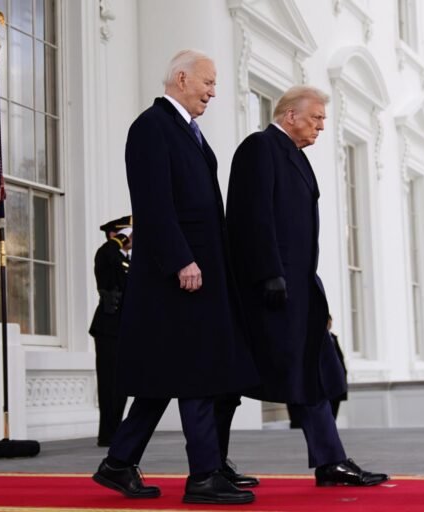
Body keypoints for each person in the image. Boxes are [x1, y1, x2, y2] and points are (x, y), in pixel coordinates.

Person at [91, 49, 259, 505]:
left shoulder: (186, 131)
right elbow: (153, 204)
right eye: (208, 82)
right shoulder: (151, 127)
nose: (213, 91)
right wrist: (181, 259)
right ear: (181, 78)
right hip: (178, 276)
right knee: (196, 373)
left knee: (166, 377)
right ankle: (204, 475)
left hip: (199, 275)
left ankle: (118, 464)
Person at [226, 85, 388, 486]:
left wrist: (315, 292)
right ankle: (211, 463)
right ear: (289, 115)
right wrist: (269, 274)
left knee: (321, 372)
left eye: (323, 119)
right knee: (233, 380)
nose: (321, 125)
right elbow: (252, 216)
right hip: (268, 290)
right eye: (315, 117)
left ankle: (330, 461)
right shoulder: (260, 148)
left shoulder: (296, 157)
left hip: (300, 289)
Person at [89, 216, 132, 447]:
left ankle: (116, 430)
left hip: (125, 329)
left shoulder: (127, 260)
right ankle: (107, 434)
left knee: (122, 382)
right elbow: (109, 255)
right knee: (108, 382)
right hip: (108, 327)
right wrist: (120, 239)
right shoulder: (107, 253)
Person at [290, 314, 347, 428]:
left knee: (332, 415)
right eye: (327, 321)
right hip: (322, 384)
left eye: (330, 321)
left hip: (335, 381)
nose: (329, 324)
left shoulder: (333, 338)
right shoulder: (313, 339)